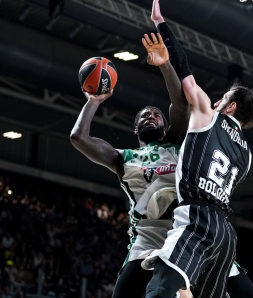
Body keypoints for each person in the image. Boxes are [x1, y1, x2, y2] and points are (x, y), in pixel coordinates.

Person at [141, 1, 253, 297]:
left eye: (222, 98)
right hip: (225, 235)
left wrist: (160, 22)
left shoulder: (209, 116)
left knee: (162, 286)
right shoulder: (247, 157)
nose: (215, 101)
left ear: (231, 105)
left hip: (197, 217)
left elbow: (183, 68)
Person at [70, 47, 189, 298]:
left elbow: (180, 104)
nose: (151, 116)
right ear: (136, 129)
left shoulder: (177, 142)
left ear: (166, 127)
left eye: (156, 115)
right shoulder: (122, 158)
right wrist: (93, 101)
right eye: (145, 116)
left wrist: (165, 66)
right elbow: (78, 138)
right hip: (144, 241)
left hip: (181, 236)